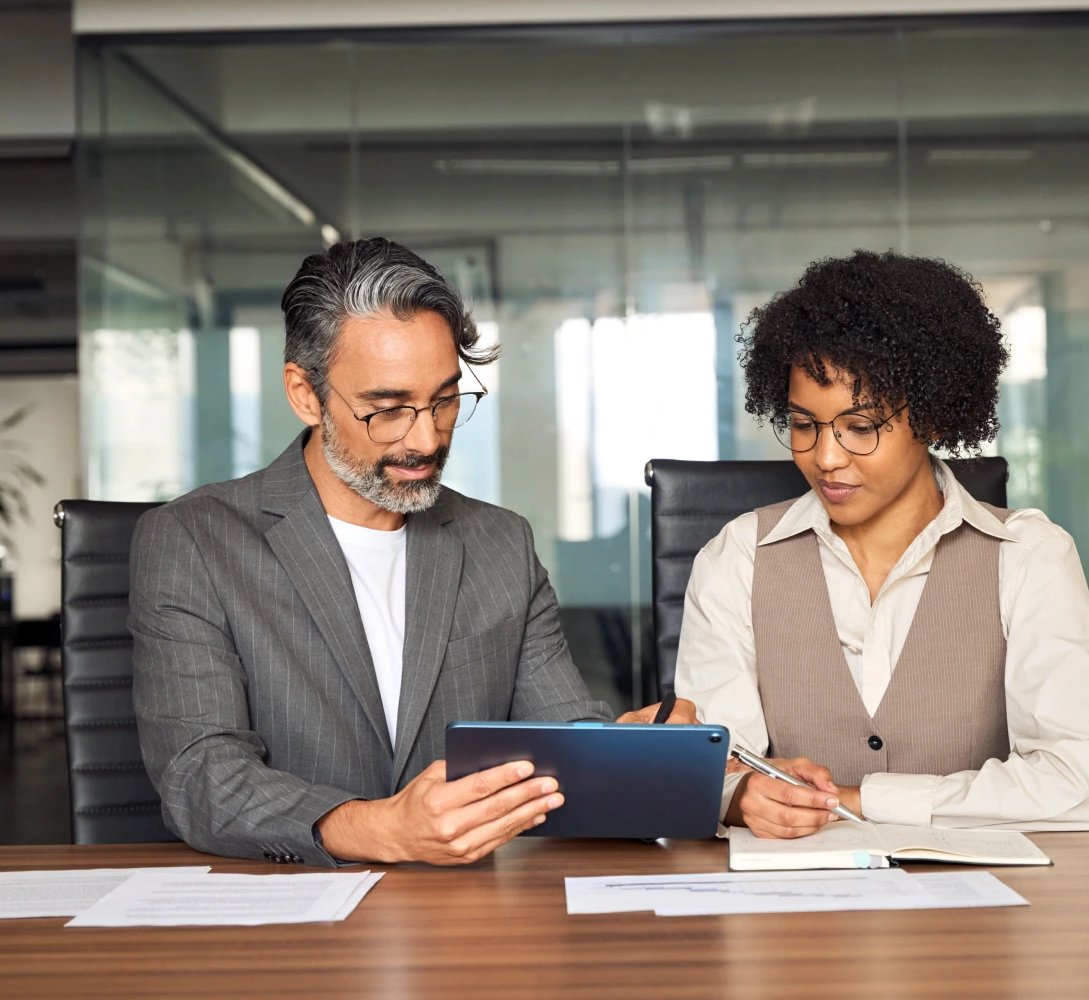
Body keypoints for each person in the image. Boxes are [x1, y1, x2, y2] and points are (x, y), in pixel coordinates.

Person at [130, 238, 689, 868]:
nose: (425, 438)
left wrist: (636, 760)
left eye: (446, 400)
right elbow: (201, 776)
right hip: (285, 921)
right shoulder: (194, 541)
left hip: (463, 921)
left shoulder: (499, 544)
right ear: (305, 394)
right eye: (387, 409)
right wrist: (380, 829)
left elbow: (561, 745)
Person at [674, 250, 1089, 839]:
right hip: (794, 913)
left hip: (988, 912)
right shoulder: (737, 557)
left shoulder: (1028, 557)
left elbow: (1082, 786)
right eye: (804, 425)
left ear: (934, 417)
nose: (826, 457)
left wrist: (863, 801)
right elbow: (720, 769)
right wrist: (739, 797)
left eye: (861, 427)